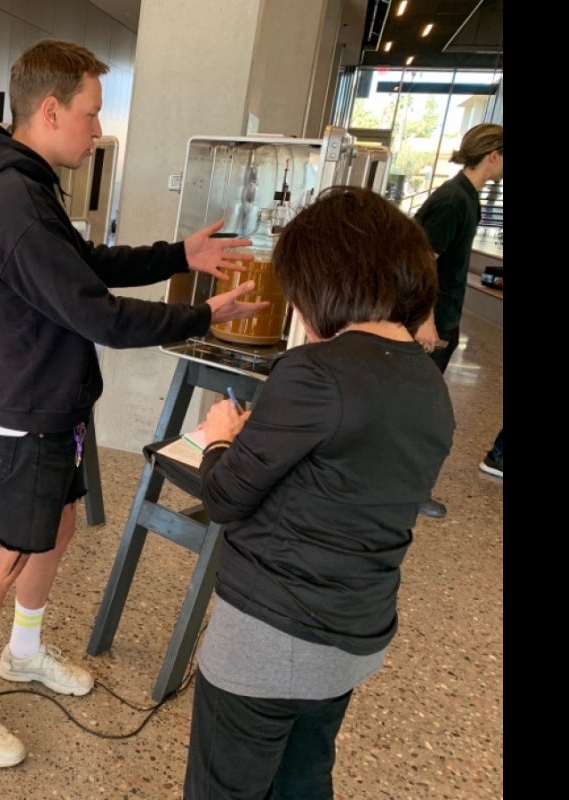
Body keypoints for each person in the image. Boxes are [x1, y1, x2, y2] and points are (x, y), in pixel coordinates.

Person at [0, 38, 267, 768]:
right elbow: (100, 315)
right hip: (26, 403)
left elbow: (86, 265)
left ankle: (22, 652)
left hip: (55, 392)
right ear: (50, 110)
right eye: (91, 113)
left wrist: (178, 256)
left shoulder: (27, 183)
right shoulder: (13, 200)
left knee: (60, 524)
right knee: (3, 551)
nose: (98, 128)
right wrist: (205, 316)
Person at [183, 186, 455, 799]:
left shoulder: (314, 371)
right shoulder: (429, 386)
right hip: (354, 638)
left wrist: (221, 439)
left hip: (270, 638)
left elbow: (225, 497)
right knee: (304, 782)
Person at [412, 122, 503, 516]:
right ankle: (407, 491)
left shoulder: (466, 196)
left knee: (421, 407)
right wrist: (424, 319)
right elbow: (421, 264)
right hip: (430, 319)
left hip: (443, 314)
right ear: (493, 155)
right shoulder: (454, 200)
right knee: (422, 411)